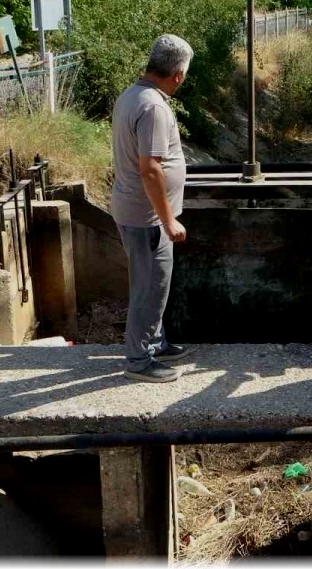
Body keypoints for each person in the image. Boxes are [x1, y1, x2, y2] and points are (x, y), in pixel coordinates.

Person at [110, 34, 194, 383]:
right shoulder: (155, 107)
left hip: (134, 210)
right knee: (150, 287)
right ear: (177, 74)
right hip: (146, 217)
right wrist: (168, 219)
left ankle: (155, 343)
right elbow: (150, 168)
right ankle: (138, 360)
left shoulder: (132, 96)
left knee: (153, 283)